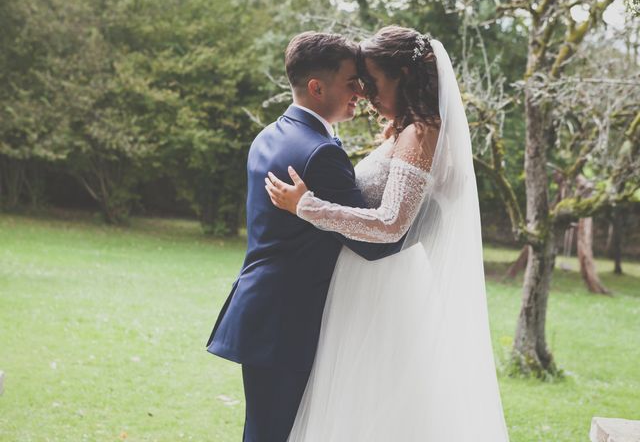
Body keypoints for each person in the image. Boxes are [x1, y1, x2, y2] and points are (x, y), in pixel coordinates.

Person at [266, 26, 510, 441]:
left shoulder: (420, 133)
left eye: (373, 82)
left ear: (403, 77)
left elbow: (391, 223)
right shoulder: (409, 130)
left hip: (380, 286)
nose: (366, 94)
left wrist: (308, 207)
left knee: (373, 406)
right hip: (367, 281)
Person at [205, 31, 408, 442]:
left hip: (264, 310)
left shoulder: (272, 134)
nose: (361, 91)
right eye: (352, 81)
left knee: (266, 432)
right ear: (317, 87)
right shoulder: (321, 152)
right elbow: (375, 242)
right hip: (289, 321)